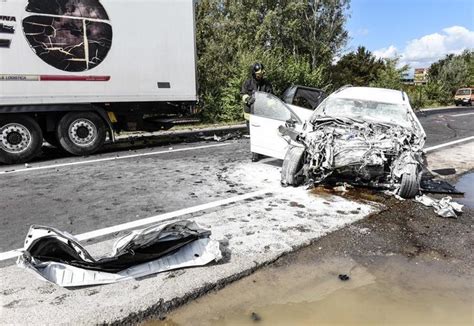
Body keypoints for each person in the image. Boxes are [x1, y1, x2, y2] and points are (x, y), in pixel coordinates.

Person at [241, 63, 274, 127]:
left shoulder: (267, 84)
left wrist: (271, 104)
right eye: (258, 74)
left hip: (263, 114)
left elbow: (271, 96)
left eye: (261, 74)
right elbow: (243, 94)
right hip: (250, 114)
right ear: (254, 73)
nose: (260, 76)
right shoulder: (247, 83)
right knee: (251, 133)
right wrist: (248, 98)